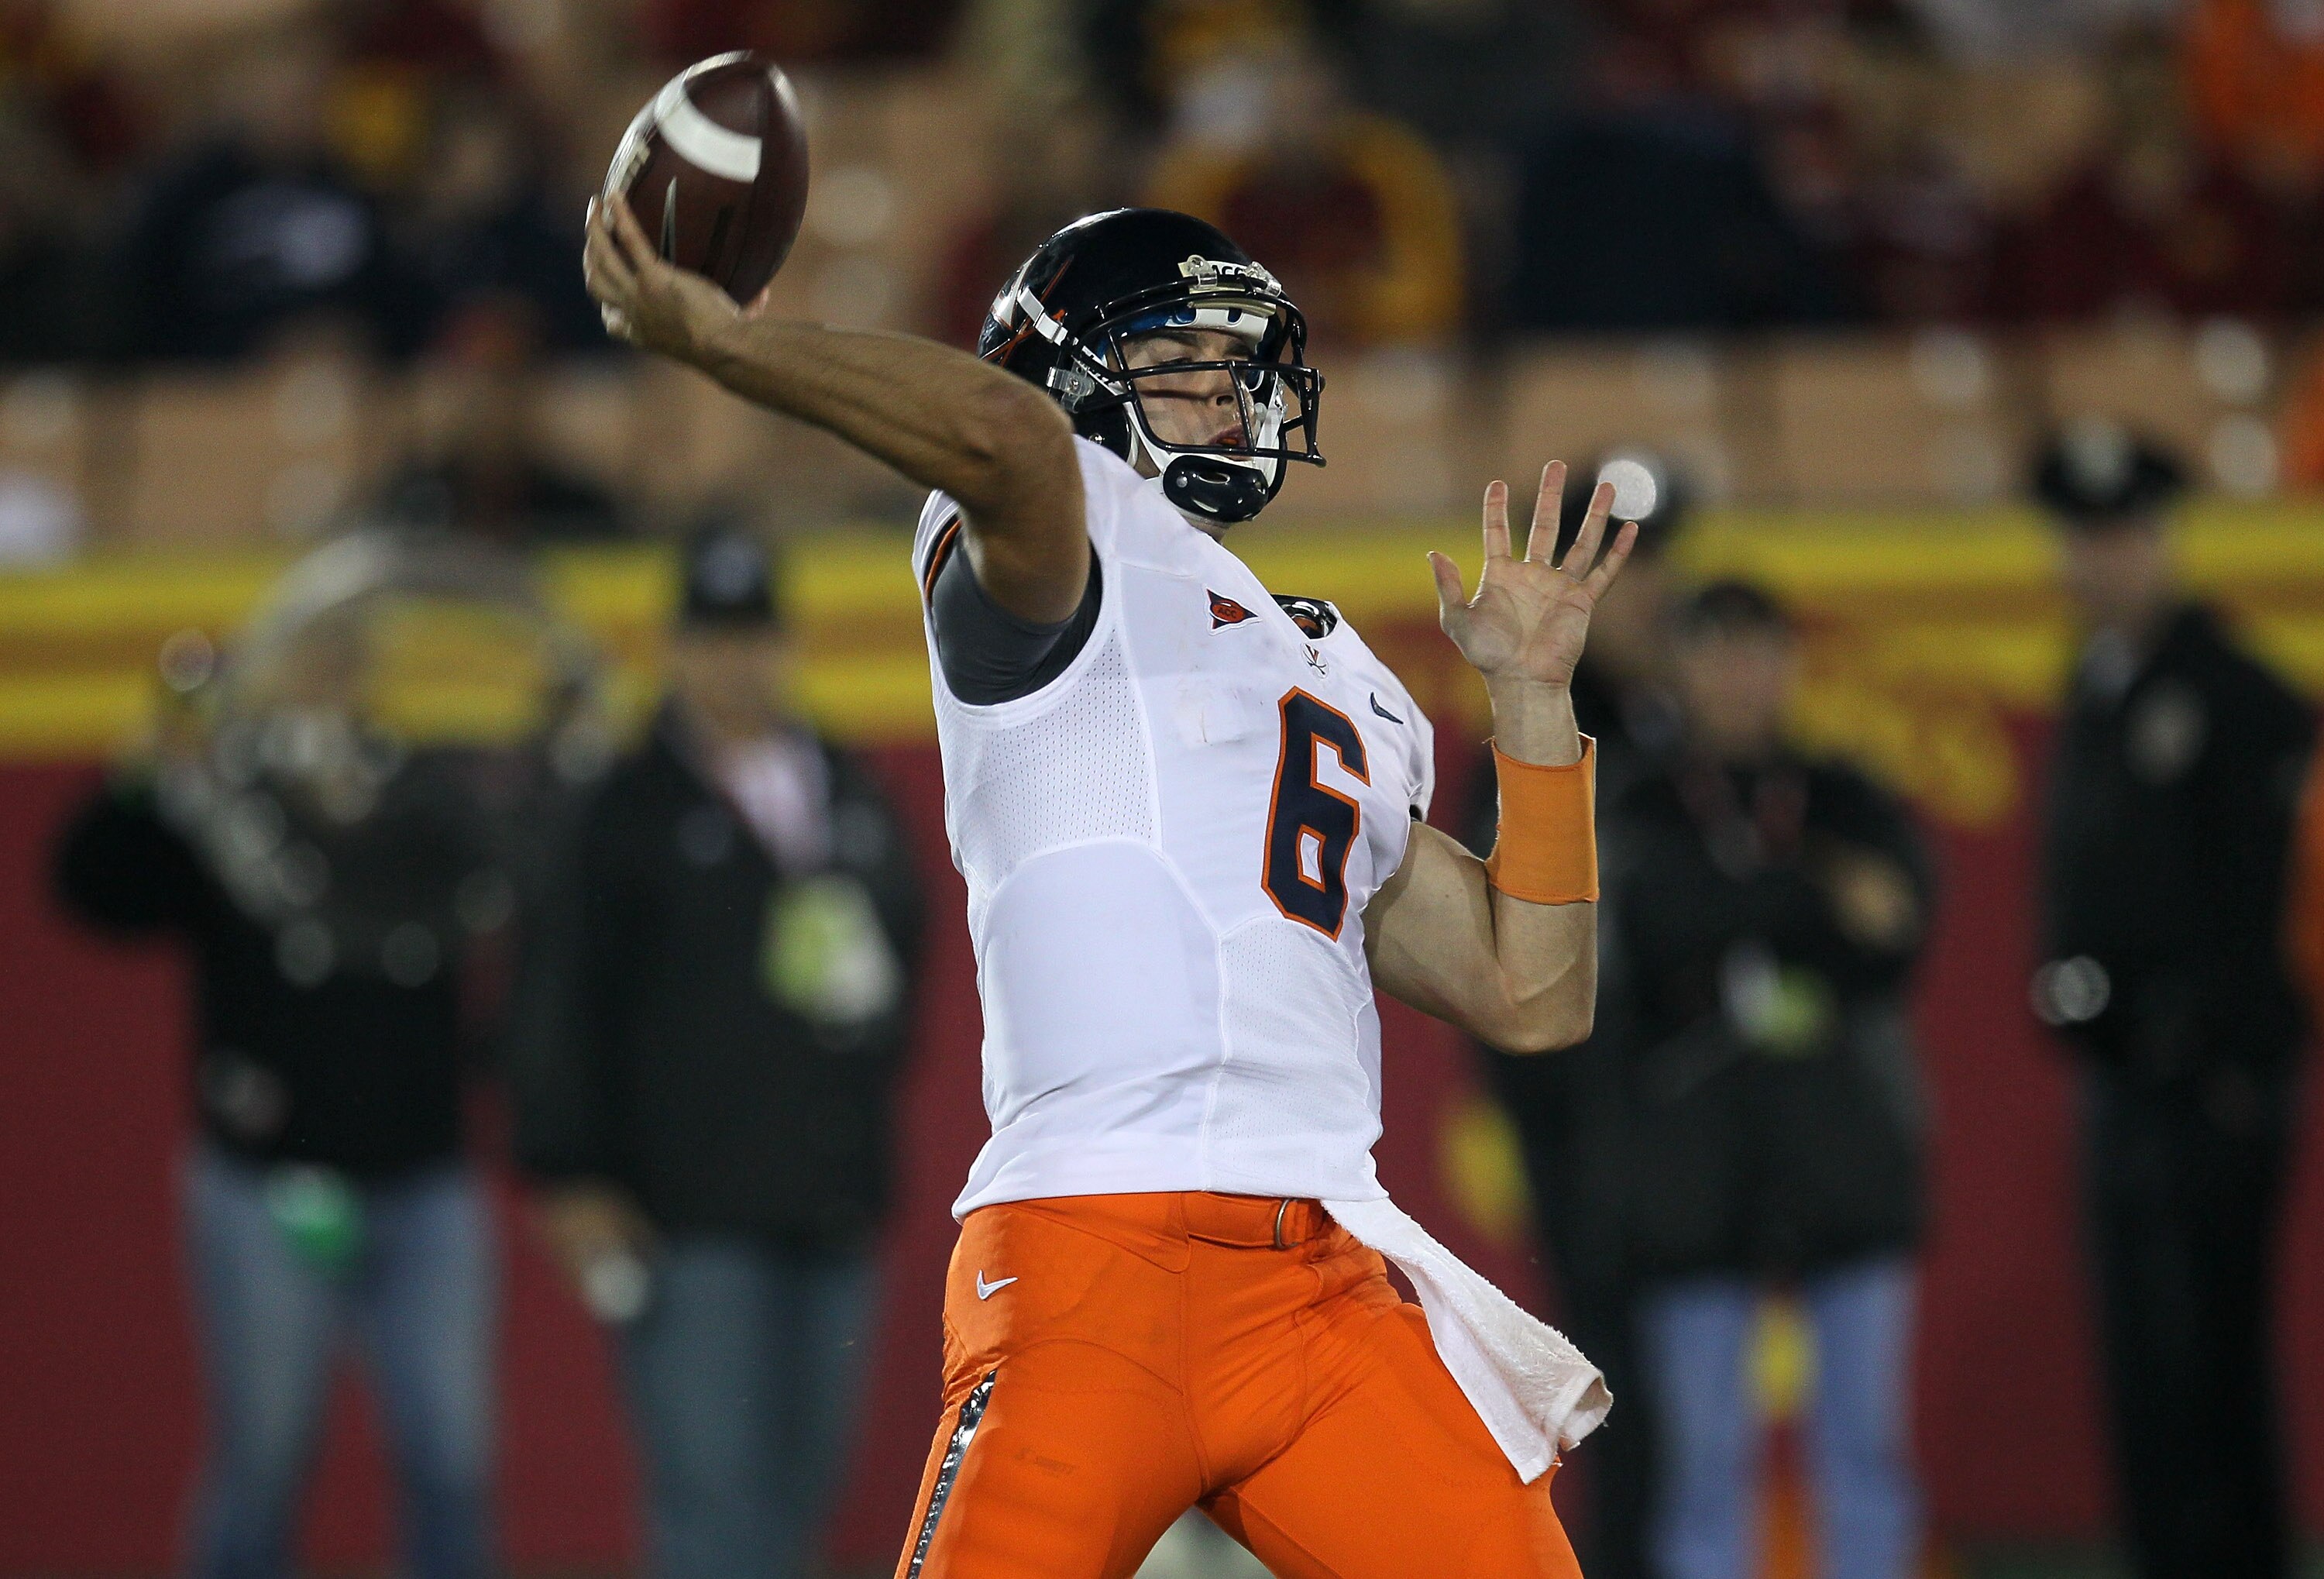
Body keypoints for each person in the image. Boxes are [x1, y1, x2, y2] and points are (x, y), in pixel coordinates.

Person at [583, 198, 1629, 1577]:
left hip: (1318, 1278)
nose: (1226, 388)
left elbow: (1532, 991)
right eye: (1178, 354)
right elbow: (1006, 442)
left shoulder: (1334, 670)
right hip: (1092, 1260)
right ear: (1064, 367)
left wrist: (1536, 706)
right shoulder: (1066, 546)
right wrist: (735, 349)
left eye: (1235, 357)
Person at [511, 524, 923, 1579]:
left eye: (757, 634)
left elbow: (908, 949)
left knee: (798, 1502)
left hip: (830, 1197)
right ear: (676, 648)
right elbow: (555, 991)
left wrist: (872, 1011)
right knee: (712, 1510)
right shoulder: (623, 806)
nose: (740, 659)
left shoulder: (846, 786)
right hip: (684, 1216)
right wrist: (573, 1173)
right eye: (716, 635)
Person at [50, 618, 497, 1579]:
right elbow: (92, 888)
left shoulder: (427, 795)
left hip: (420, 1176)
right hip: (263, 1179)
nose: (326, 679)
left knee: (450, 1458)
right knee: (264, 1457)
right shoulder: (227, 801)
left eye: (345, 657)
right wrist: (150, 778)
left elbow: (498, 898)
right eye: (308, 656)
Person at [2030, 423, 2315, 1579]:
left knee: (2212, 1359)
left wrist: (2243, 1056)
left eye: (2118, 537)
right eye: (2080, 540)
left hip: (2215, 1082)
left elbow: (2275, 908)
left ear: (2162, 541)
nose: (2098, 562)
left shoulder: (2244, 699)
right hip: (2122, 1081)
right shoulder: (2096, 687)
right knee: (2145, 1366)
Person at [1607, 580, 1934, 1579]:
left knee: (1866, 1447)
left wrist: (1740, 904)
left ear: (1794, 664)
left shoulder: (1847, 791)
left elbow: (1901, 928)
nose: (1743, 677)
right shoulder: (1641, 798)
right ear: (1680, 665)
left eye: (1762, 651)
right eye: (1718, 650)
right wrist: (1810, 891)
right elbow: (1655, 926)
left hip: (1844, 1157)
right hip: (1695, 1173)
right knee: (1705, 1463)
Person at [1459, 449, 1690, 1579]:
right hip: (1584, 1121)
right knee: (1604, 1389)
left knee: (1677, 1394)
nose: (1650, 597)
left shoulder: (1676, 725)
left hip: (1684, 1120)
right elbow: (1489, 938)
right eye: (1633, 569)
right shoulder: (1535, 722)